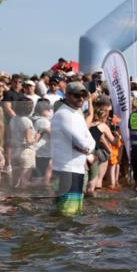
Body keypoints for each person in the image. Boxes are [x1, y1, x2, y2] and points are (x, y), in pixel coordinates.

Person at [50, 82, 95, 215]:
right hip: (66, 170)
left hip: (77, 169)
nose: (81, 98)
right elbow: (81, 142)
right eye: (77, 95)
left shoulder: (76, 114)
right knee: (67, 214)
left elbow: (91, 141)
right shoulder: (64, 114)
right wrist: (86, 147)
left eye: (83, 96)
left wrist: (86, 148)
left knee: (75, 212)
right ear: (67, 95)